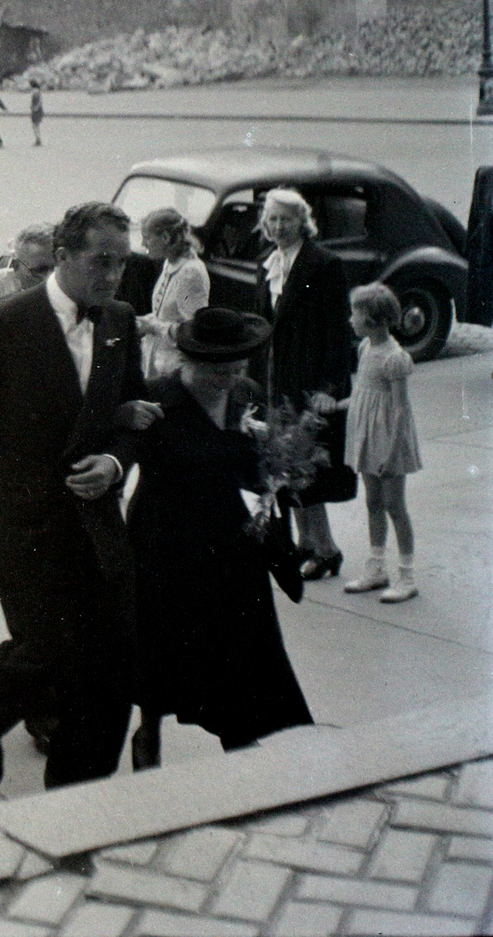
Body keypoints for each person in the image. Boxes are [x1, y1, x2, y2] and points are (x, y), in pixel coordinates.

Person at [0, 201, 154, 789]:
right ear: (61, 257)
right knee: (53, 647)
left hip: (96, 523)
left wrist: (112, 462)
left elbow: (131, 417)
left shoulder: (119, 321)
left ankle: (80, 791)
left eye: (122, 264)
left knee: (109, 660)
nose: (112, 276)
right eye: (100, 261)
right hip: (22, 526)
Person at [125, 307, 312, 770]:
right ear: (188, 361)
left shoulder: (245, 395)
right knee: (164, 651)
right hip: (166, 542)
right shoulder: (155, 399)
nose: (228, 379)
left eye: (236, 368)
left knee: (239, 649)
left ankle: (241, 743)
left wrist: (279, 474)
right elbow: (122, 460)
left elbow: (258, 467)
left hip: (231, 540)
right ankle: (148, 733)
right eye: (216, 370)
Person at [255, 189, 357, 581]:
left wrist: (330, 387)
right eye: (273, 219)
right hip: (276, 383)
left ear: (303, 221)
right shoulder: (266, 264)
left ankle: (326, 548)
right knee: (284, 469)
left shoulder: (323, 264)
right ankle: (304, 544)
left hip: (310, 384)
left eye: (286, 219)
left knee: (307, 473)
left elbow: (337, 331)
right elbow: (262, 326)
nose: (278, 226)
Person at [313, 284, 422, 603]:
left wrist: (391, 449)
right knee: (373, 502)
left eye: (355, 314)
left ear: (373, 319)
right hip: (368, 436)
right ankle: (376, 567)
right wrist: (340, 404)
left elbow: (401, 409)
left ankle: (406, 574)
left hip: (389, 440)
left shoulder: (395, 358)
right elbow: (364, 393)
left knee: (394, 506)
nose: (350, 319)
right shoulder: (365, 350)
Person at [136, 207, 211, 379]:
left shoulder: (190, 272)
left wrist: (153, 326)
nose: (143, 244)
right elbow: (166, 315)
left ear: (165, 238)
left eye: (147, 238)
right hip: (159, 360)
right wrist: (146, 320)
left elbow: (193, 331)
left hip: (176, 369)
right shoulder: (170, 263)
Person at [29, 81, 44, 147]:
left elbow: (37, 102)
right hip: (39, 110)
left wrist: (34, 108)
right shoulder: (39, 92)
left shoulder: (35, 93)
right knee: (36, 125)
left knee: (35, 125)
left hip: (36, 111)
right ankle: (38, 139)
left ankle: (38, 139)